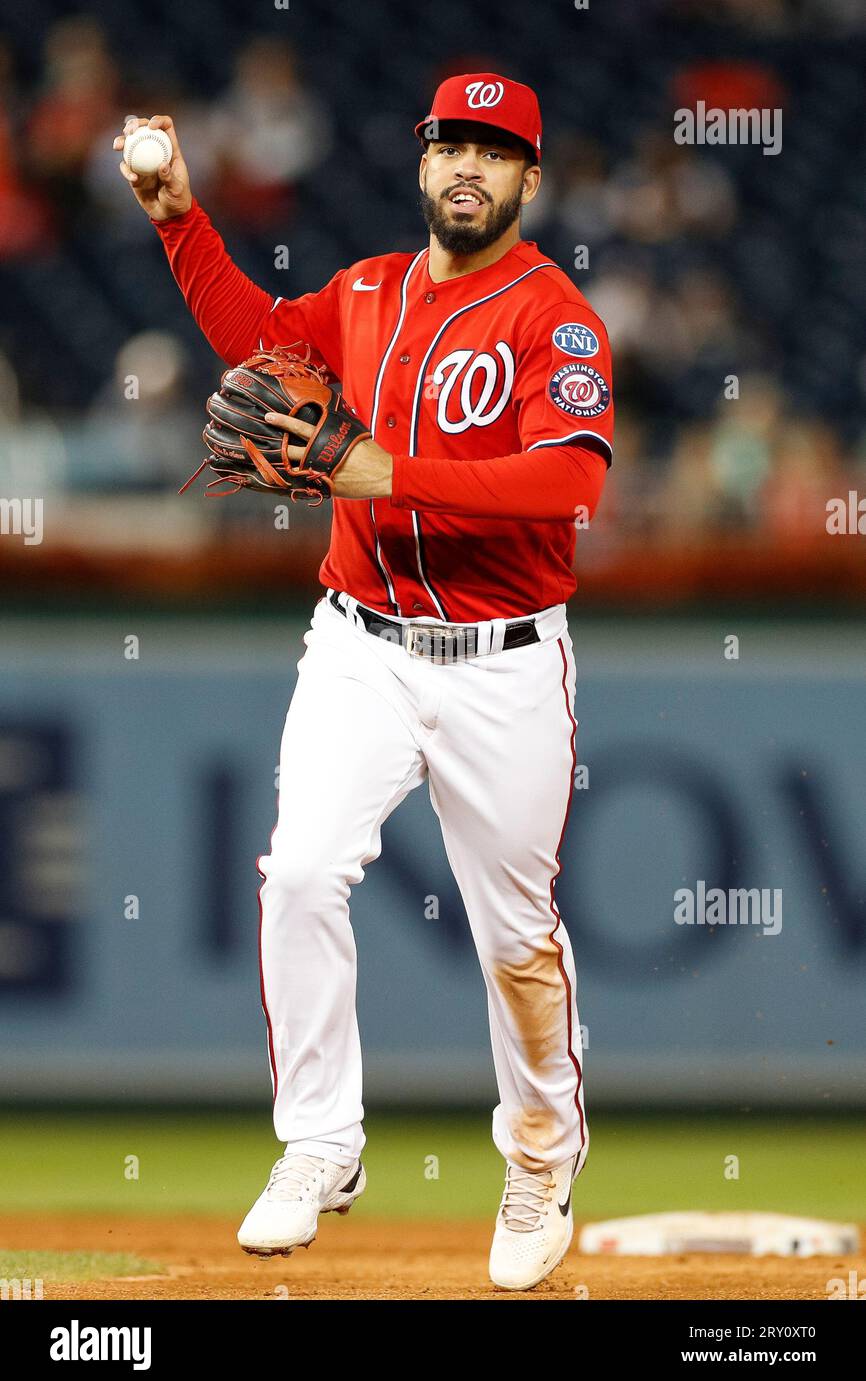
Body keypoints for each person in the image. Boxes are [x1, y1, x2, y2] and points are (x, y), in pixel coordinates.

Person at [114, 71, 614, 1293]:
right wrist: (179, 212)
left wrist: (383, 470)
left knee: (515, 942)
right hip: (358, 640)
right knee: (296, 869)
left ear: (527, 180)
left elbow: (569, 486)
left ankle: (541, 1160)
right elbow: (253, 336)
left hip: (500, 662)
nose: (468, 166)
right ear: (421, 156)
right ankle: (320, 1146)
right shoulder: (369, 290)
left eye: (495, 152)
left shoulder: (554, 322)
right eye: (452, 142)